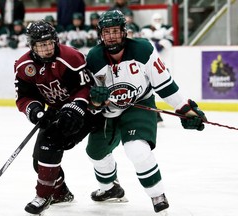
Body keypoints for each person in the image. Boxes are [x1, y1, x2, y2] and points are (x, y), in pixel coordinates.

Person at [85, 10, 207, 214]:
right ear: (101, 35)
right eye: (107, 32)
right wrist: (96, 102)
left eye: (115, 31)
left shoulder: (143, 50)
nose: (111, 36)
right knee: (95, 153)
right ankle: (110, 189)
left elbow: (165, 86)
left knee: (137, 150)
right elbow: (93, 99)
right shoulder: (94, 58)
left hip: (139, 105)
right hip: (109, 112)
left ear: (124, 32)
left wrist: (185, 109)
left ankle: (157, 194)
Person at [14, 20, 104, 215]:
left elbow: (85, 87)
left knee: (51, 143)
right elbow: (24, 97)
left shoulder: (70, 57)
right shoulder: (24, 66)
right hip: (57, 110)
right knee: (38, 160)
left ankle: (43, 196)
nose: (47, 48)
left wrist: (75, 107)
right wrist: (37, 111)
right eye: (41, 45)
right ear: (32, 46)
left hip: (85, 111)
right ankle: (60, 193)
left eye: (49, 43)